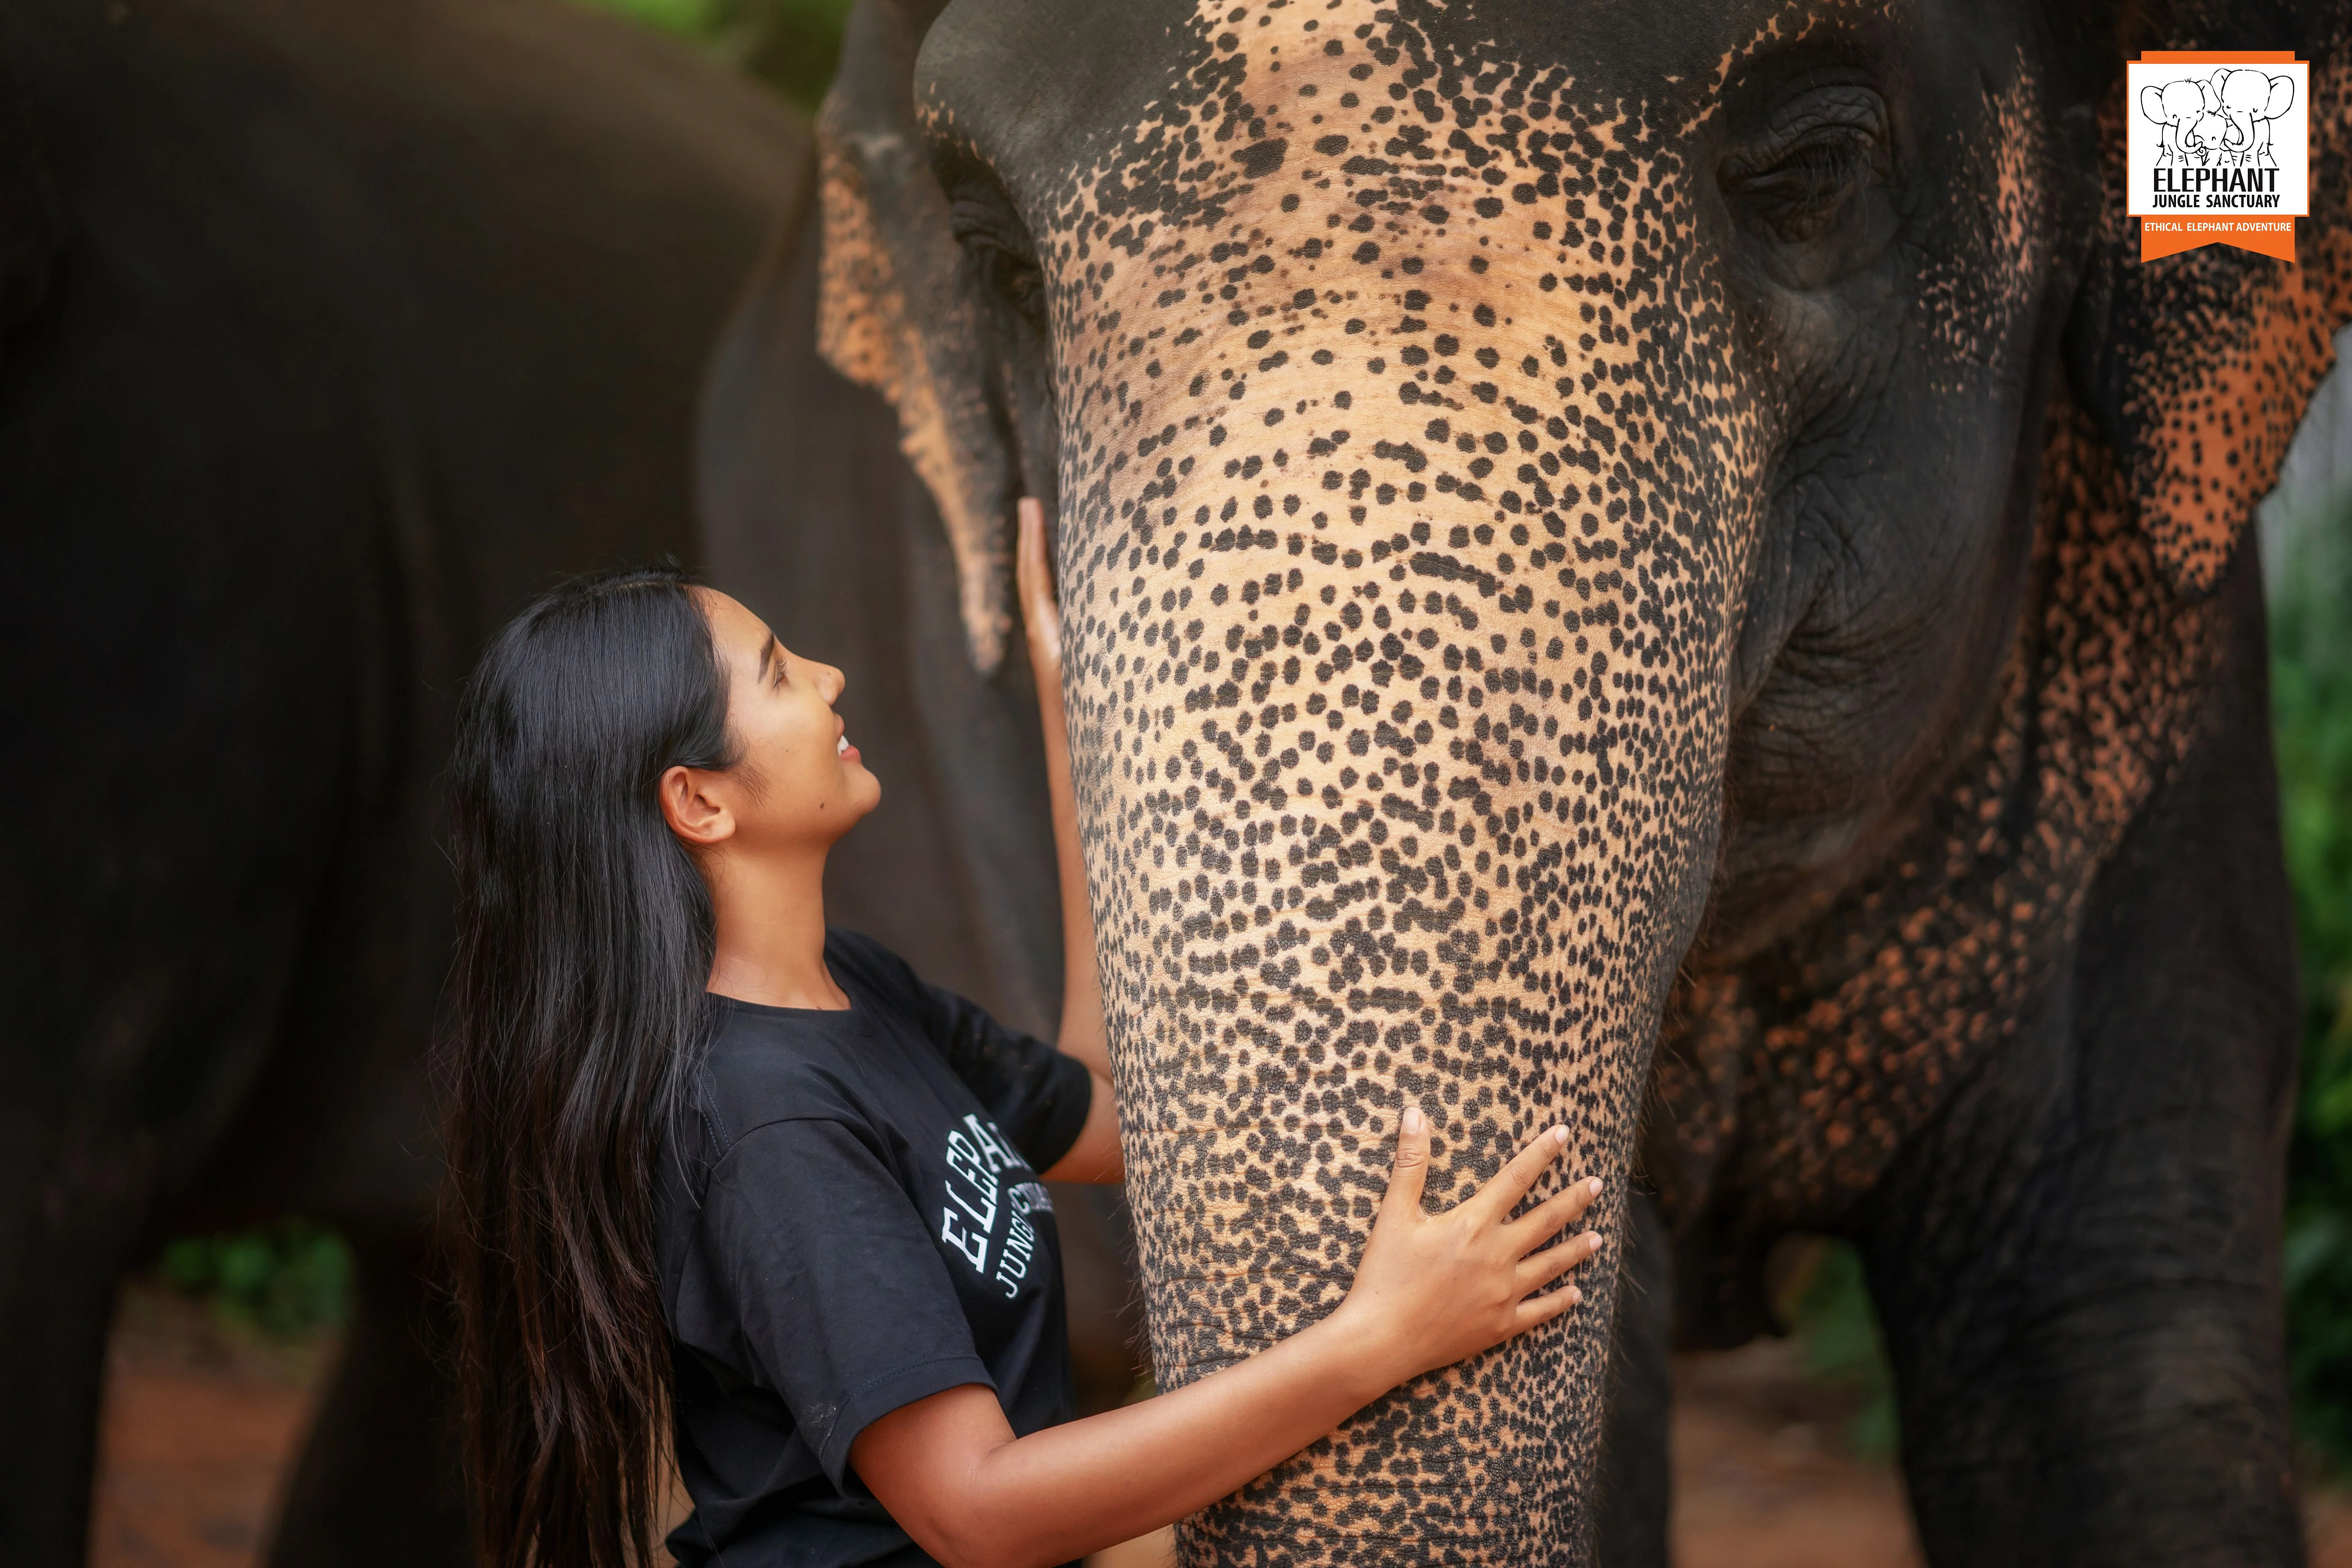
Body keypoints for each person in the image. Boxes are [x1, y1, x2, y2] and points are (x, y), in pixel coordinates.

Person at [438, 500, 1608, 1568]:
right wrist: (1377, 1342)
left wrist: (1075, 718)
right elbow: (977, 1510)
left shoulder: (850, 992)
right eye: (782, 675)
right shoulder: (767, 1127)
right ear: (700, 800)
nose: (834, 676)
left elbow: (1104, 1108)